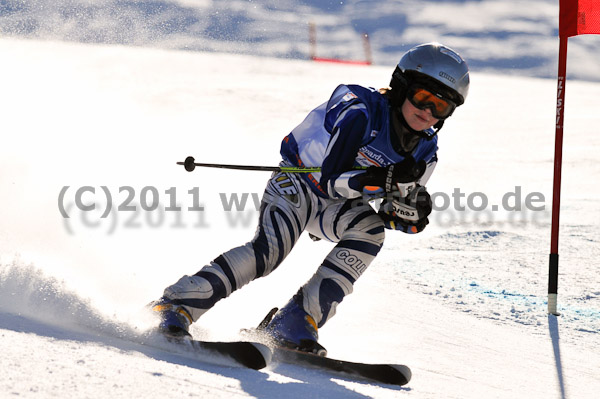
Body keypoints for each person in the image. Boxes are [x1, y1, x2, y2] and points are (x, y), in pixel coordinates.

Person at [150, 42, 470, 355]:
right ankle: (176, 303)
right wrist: (379, 180)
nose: (428, 112)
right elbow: (331, 180)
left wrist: (410, 214)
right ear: (402, 87)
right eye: (423, 97)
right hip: (299, 182)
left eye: (441, 106)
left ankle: (295, 322)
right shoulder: (361, 109)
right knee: (269, 254)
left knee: (371, 231)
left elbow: (393, 209)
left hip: (338, 205)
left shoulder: (425, 151)